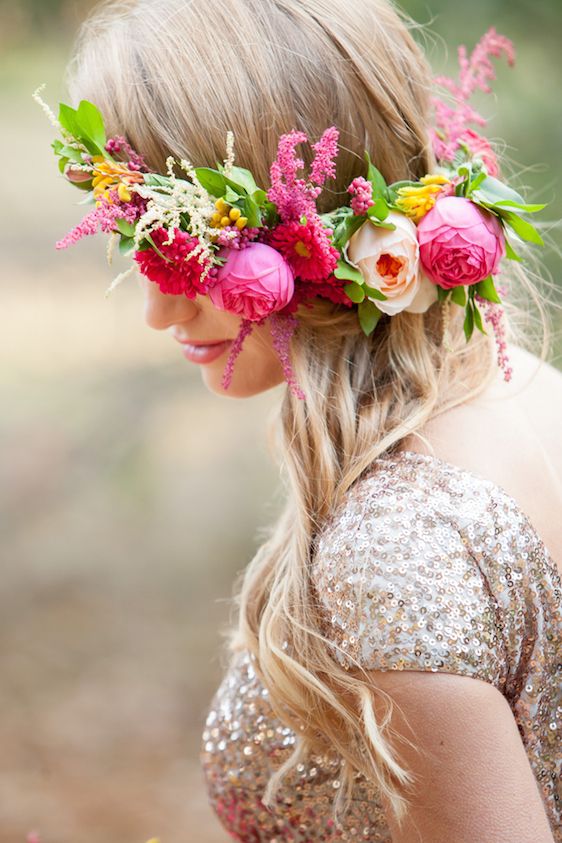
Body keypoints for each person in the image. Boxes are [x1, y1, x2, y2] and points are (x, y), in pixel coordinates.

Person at [54, 0, 561, 839]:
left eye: (182, 248)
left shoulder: (395, 544)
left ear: (302, 233)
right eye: (133, 248)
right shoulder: (526, 392)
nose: (156, 313)